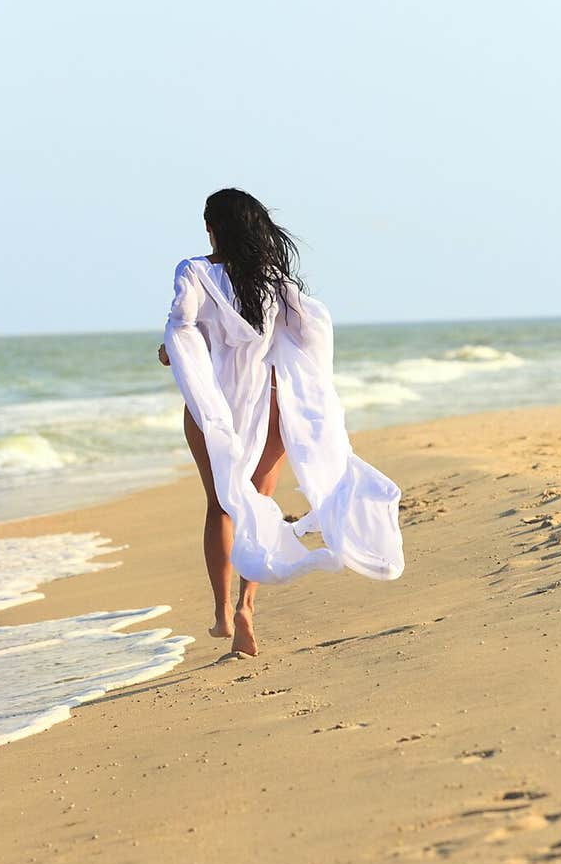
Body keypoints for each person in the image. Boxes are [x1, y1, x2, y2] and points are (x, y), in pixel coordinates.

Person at [158, 188, 404, 658]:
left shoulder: (193, 271)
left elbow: (182, 328)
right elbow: (308, 333)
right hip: (268, 405)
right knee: (260, 501)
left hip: (214, 409)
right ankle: (247, 605)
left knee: (221, 506)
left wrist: (173, 351)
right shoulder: (272, 281)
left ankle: (220, 614)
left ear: (211, 227)